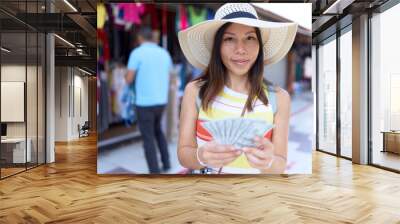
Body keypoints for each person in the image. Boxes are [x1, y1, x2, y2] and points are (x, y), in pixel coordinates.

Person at [177, 3, 298, 174]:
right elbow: (183, 154)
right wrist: (201, 156)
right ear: (217, 46)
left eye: (250, 38)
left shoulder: (279, 98)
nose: (240, 49)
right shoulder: (195, 90)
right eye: (229, 39)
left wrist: (268, 161)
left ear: (260, 45)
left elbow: (280, 163)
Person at [126, 26, 172, 174]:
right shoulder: (164, 53)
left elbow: (129, 79)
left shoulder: (137, 53)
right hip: (161, 101)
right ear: (152, 38)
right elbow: (171, 77)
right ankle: (167, 163)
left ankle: (154, 171)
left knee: (148, 137)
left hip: (144, 103)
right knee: (158, 131)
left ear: (140, 38)